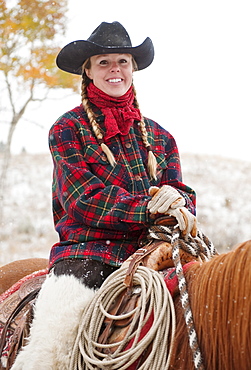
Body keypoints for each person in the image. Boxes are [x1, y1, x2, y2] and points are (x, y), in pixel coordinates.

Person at [12, 21, 196, 369]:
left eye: (123, 61)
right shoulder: (67, 128)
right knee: (50, 354)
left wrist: (179, 202)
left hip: (156, 253)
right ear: (89, 71)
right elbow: (83, 199)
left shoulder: (161, 137)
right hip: (89, 256)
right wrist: (148, 210)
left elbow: (181, 191)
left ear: (133, 68)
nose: (115, 70)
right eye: (104, 62)